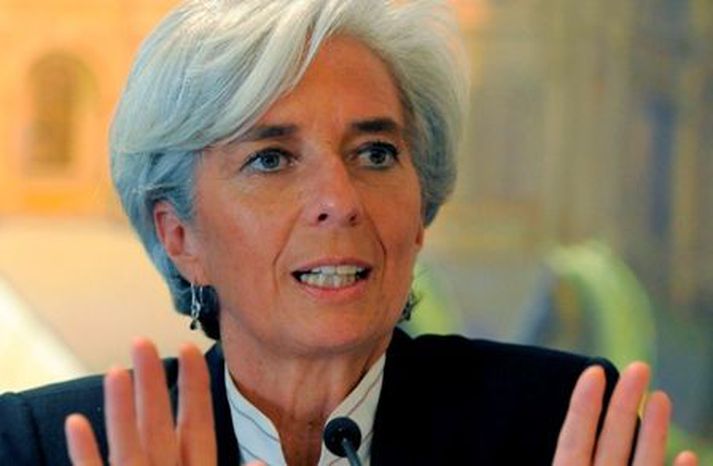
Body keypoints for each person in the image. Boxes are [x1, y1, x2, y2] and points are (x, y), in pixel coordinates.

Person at [0, 0, 700, 465]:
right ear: (180, 234)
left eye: (375, 153)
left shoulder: (558, 424)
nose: (339, 200)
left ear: (419, 213)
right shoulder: (40, 446)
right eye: (271, 159)